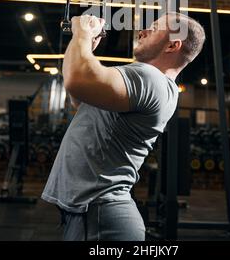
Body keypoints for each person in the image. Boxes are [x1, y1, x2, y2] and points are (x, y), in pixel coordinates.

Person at [41, 12, 205, 241]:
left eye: (155, 27)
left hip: (102, 217)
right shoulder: (153, 83)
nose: (143, 31)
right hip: (94, 212)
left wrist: (82, 34)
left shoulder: (151, 78)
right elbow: (80, 98)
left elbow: (76, 80)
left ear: (172, 45)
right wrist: (83, 46)